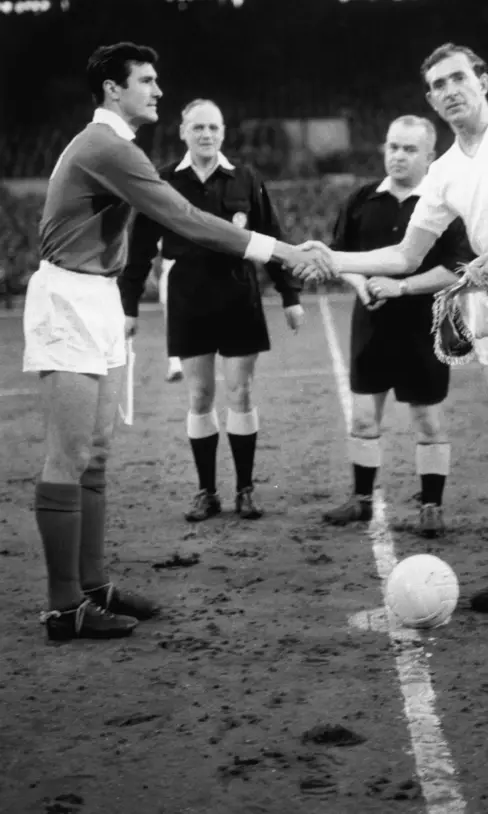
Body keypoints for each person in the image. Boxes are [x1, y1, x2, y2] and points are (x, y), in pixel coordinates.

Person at [22, 42, 331, 642]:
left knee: (97, 453)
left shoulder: (117, 147)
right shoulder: (104, 146)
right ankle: (64, 607)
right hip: (69, 300)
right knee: (68, 454)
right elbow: (185, 218)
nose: (157, 90)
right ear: (114, 89)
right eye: (146, 80)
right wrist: (282, 250)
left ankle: (92, 586)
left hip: (96, 296)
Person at [302, 43, 488, 630]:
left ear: (482, 80)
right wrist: (333, 257)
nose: (450, 90)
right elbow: (407, 253)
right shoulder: (444, 171)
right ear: (431, 99)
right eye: (438, 85)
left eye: (459, 77)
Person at [119, 98, 304, 523]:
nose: (206, 134)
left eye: (213, 127)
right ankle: (206, 493)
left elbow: (270, 236)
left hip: (238, 294)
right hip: (189, 298)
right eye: (198, 127)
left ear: (223, 132)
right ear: (183, 131)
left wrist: (289, 296)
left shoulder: (246, 179)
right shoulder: (163, 182)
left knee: (241, 392)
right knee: (200, 395)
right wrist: (128, 305)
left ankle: (245, 490)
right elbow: (141, 247)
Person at [321, 115, 474, 537]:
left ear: (429, 155)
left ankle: (430, 506)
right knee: (364, 419)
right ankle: (361, 500)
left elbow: (456, 270)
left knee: (427, 421)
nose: (398, 156)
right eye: (393, 147)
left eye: (409, 149)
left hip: (423, 328)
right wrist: (360, 285)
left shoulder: (444, 207)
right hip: (371, 326)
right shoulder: (361, 199)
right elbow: (340, 255)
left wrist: (401, 286)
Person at [158, 250, 183, 382]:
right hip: (172, 273)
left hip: (172, 273)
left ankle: (175, 364)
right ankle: (175, 363)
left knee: (172, 324)